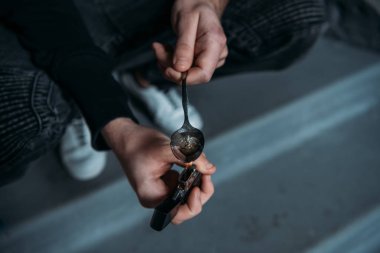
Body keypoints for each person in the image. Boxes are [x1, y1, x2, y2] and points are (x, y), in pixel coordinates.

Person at [0, 0, 326, 225]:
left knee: (300, 13)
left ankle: (144, 77)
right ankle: (78, 98)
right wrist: (111, 118)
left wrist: (209, 4)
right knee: (22, 114)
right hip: (50, 16)